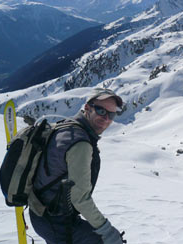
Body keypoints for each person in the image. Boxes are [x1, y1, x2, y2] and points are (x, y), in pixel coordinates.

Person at [29, 88, 126, 244]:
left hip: (41, 212)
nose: (106, 118)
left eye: (112, 114)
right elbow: (81, 199)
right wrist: (108, 232)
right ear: (87, 108)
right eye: (101, 111)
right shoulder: (80, 143)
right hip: (56, 221)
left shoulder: (66, 126)